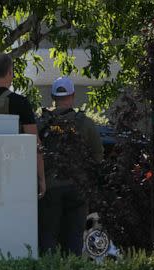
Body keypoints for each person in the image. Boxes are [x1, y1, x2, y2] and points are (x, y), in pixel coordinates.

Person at [37, 77, 103, 256]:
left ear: (52, 97)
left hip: (49, 188)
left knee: (47, 238)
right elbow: (98, 155)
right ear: (73, 96)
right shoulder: (86, 123)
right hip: (77, 188)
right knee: (74, 239)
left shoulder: (41, 123)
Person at [0, 52, 46, 198]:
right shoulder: (20, 102)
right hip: (13, 173)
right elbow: (33, 143)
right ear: (10, 72)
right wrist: (41, 178)